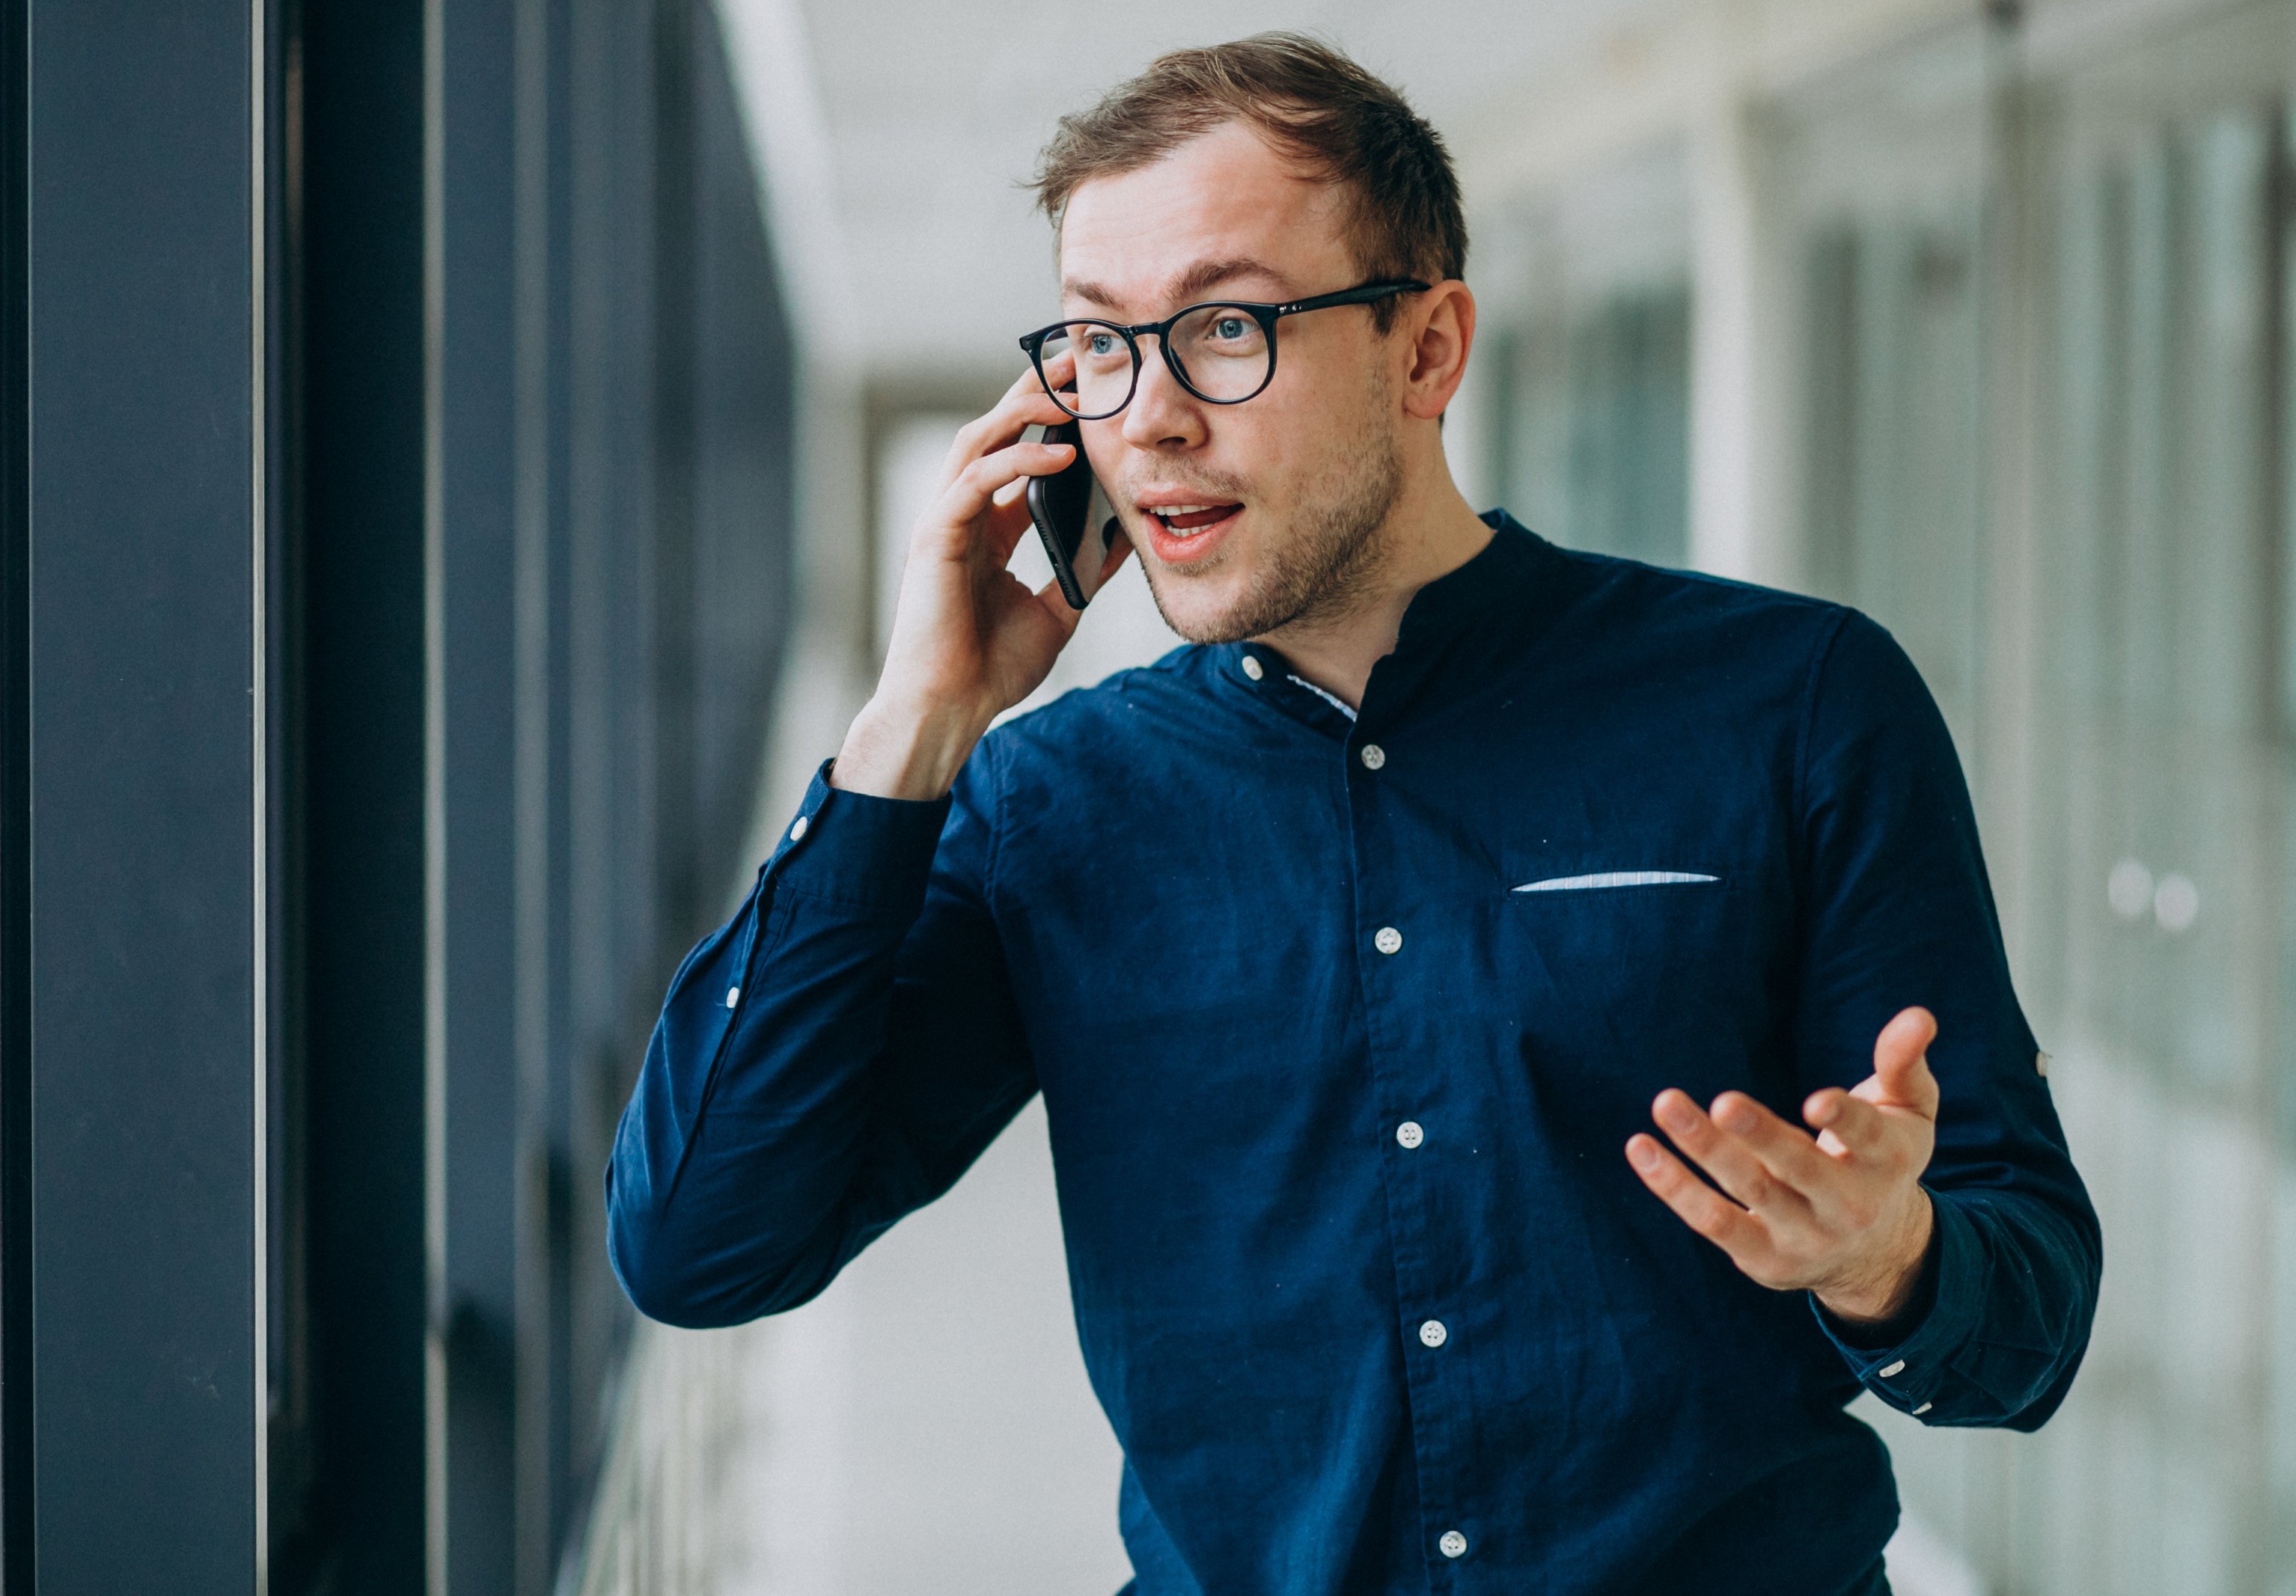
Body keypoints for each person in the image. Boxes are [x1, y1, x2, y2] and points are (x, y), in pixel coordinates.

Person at [605, 34, 2099, 1596]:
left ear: (1426, 349)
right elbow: (703, 1241)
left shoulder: (1794, 702)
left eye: (1227, 327)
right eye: (1102, 344)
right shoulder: (1046, 803)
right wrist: (909, 726)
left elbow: (2031, 1321)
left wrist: (1885, 1255)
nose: (1150, 418)